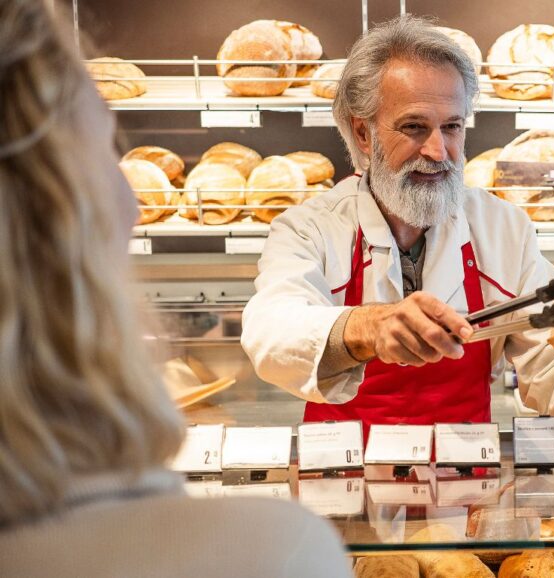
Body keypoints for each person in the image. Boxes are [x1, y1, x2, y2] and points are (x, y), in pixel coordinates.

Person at [0, 2, 350, 576]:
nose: (136, 204)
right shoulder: (266, 551)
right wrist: (353, 329)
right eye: (104, 151)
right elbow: (271, 329)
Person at [241, 16, 554, 442]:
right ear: (363, 133)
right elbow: (272, 330)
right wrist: (369, 327)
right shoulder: (309, 229)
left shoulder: (503, 228)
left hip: (466, 485)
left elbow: (553, 360)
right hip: (344, 484)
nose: (438, 151)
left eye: (452, 127)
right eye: (414, 127)